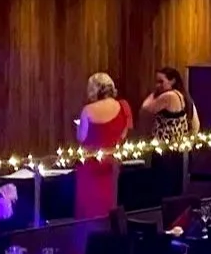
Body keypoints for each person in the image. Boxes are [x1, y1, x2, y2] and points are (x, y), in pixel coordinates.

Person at [75, 73, 132, 220]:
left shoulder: (88, 110)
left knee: (89, 209)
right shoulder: (123, 107)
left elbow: (81, 138)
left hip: (91, 165)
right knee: (109, 205)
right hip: (112, 163)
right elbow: (124, 134)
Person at [143, 66, 195, 196]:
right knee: (173, 187)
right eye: (156, 82)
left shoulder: (169, 96)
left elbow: (146, 107)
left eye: (161, 81)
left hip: (165, 150)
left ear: (172, 81)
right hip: (176, 149)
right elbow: (195, 123)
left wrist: (153, 93)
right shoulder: (182, 95)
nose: (158, 85)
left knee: (163, 188)